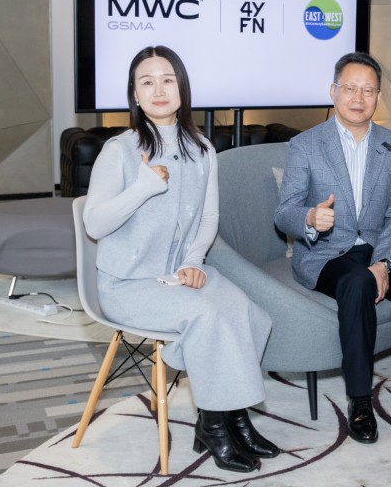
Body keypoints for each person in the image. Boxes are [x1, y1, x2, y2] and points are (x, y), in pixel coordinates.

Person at [83, 45, 279, 473]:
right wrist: (142, 187)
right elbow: (94, 224)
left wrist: (193, 259)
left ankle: (230, 415)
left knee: (248, 312)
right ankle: (215, 424)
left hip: (178, 275)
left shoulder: (201, 148)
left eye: (167, 79)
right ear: (134, 95)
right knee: (209, 317)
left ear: (182, 88)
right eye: (146, 82)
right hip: (128, 285)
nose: (158, 90)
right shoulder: (120, 150)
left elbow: (209, 217)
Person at [274, 52, 391, 445]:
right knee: (357, 284)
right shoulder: (306, 145)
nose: (358, 97)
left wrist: (384, 261)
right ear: (333, 92)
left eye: (368, 90)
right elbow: (284, 212)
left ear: (378, 97)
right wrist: (311, 219)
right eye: (350, 88)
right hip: (327, 254)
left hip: (379, 248)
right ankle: (360, 398)